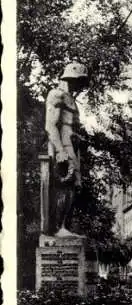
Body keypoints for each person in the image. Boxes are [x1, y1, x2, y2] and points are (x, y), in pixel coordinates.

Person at [45, 62, 89, 237]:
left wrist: (78, 138)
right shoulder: (56, 95)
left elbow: (70, 125)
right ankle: (59, 228)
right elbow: (50, 125)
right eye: (79, 81)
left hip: (72, 144)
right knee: (65, 185)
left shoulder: (70, 99)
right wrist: (60, 150)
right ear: (70, 78)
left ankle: (65, 226)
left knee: (75, 186)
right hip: (63, 145)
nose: (80, 86)